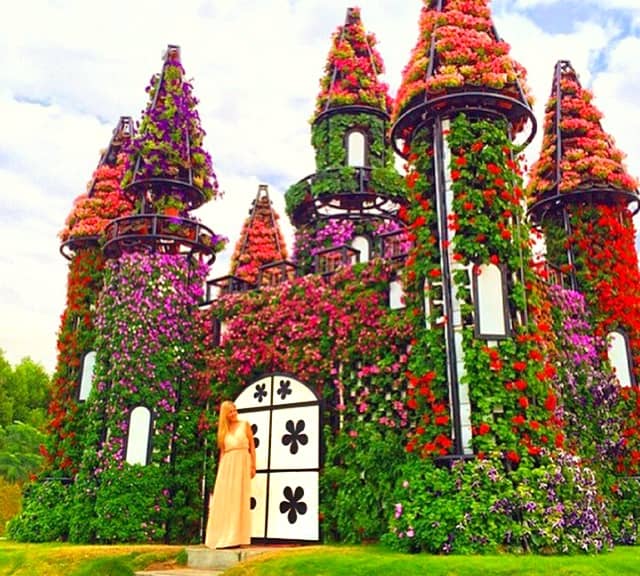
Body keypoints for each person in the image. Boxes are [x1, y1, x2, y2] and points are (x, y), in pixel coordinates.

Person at [205, 400, 256, 549]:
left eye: (235, 410)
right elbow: (222, 453)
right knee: (226, 500)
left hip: (242, 462)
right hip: (227, 465)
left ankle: (237, 537)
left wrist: (253, 464)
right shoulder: (223, 431)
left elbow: (252, 446)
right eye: (231, 412)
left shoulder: (244, 425)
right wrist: (220, 474)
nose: (234, 413)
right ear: (225, 415)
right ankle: (223, 535)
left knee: (239, 498)